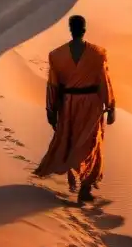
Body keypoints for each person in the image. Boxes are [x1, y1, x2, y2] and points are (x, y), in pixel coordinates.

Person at [33, 14, 116, 203]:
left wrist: (51, 109)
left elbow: (53, 86)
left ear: (70, 29)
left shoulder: (57, 55)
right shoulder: (98, 53)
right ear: (84, 29)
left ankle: (82, 185)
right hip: (91, 105)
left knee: (71, 141)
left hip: (69, 105)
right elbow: (105, 82)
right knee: (91, 144)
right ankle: (85, 189)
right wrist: (111, 106)